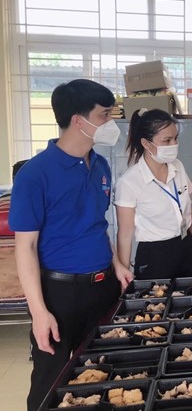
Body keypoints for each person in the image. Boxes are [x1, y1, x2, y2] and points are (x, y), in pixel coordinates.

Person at [8, 79, 134, 411]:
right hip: (60, 294)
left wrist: (117, 264)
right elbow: (26, 247)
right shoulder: (35, 174)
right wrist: (39, 312)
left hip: (103, 287)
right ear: (79, 120)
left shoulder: (101, 165)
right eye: (104, 115)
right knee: (50, 380)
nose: (111, 123)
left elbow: (96, 225)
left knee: (102, 370)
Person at [114, 108, 192, 280]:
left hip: (185, 245)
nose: (174, 144)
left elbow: (188, 209)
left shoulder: (178, 167)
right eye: (167, 140)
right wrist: (123, 273)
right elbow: (125, 234)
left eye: (175, 138)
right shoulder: (129, 182)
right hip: (155, 255)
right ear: (146, 143)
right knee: (157, 297)